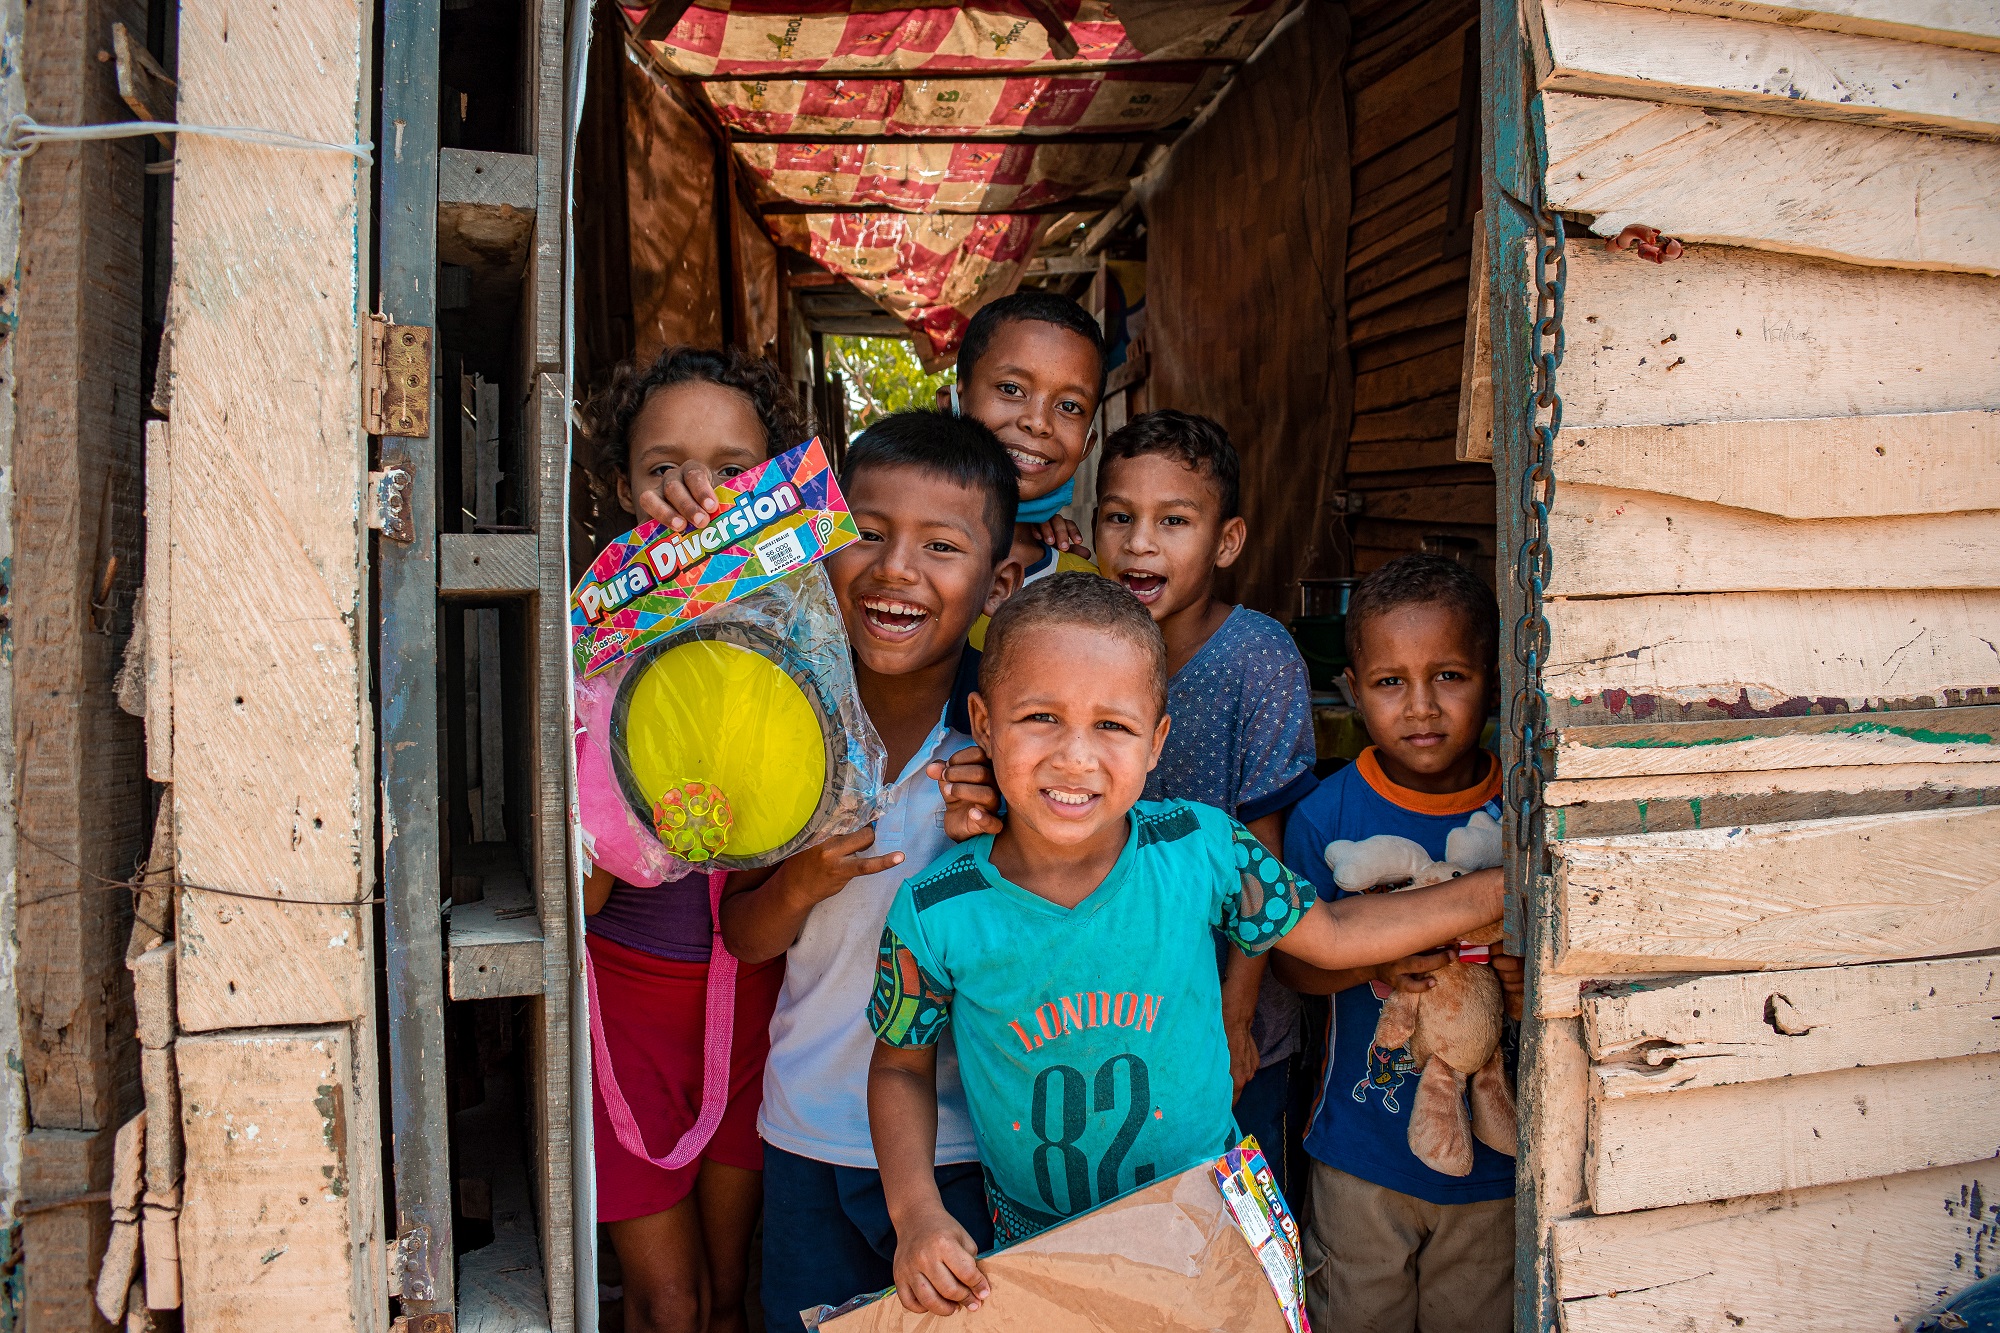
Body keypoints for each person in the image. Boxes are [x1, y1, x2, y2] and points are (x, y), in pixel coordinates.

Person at [864, 573, 1507, 1318]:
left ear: (1157, 739)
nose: (1075, 756)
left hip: (1215, 1232)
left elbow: (1332, 935)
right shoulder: (938, 909)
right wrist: (915, 1214)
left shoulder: (1201, 849)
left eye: (1113, 725)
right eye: (1040, 717)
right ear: (983, 720)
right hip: (1039, 1253)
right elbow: (900, 1070)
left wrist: (1503, 885)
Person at [716, 411, 1021, 1332]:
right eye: (868, 533)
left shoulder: (1012, 745)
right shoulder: (781, 716)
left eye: (941, 545)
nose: (896, 569)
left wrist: (1000, 844)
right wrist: (803, 879)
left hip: (965, 1147)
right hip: (804, 1129)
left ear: (998, 581)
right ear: (820, 546)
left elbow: (1064, 930)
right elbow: (742, 933)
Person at [579, 344, 807, 1333]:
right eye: (663, 466)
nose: (695, 492)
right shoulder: (592, 628)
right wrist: (613, 674)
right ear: (621, 485)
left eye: (730, 468)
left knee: (730, 1289)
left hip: (756, 1001)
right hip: (625, 1003)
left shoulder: (803, 625)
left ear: (774, 487)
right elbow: (583, 891)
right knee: (668, 1303)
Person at [1273, 554, 1526, 1333]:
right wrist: (1372, 957)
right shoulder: (1327, 814)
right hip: (1360, 1152)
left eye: (1449, 675)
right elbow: (1292, 963)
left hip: (1496, 1169)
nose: (1422, 707)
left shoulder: (1524, 806)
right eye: (1390, 683)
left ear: (1493, 678)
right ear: (1353, 690)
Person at [1091, 410, 1317, 1189]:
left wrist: (1236, 1013)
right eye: (1119, 517)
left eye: (1173, 521)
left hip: (1231, 1008)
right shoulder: (1084, 648)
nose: (1140, 542)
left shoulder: (1258, 656)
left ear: (1226, 542)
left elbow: (1265, 847)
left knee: (1235, 1224)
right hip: (1107, 1007)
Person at [951, 290, 1106, 647]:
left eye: (1069, 405)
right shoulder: (875, 538)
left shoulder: (1087, 590)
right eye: (1011, 388)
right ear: (952, 402)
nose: (1038, 422)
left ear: (1087, 446)